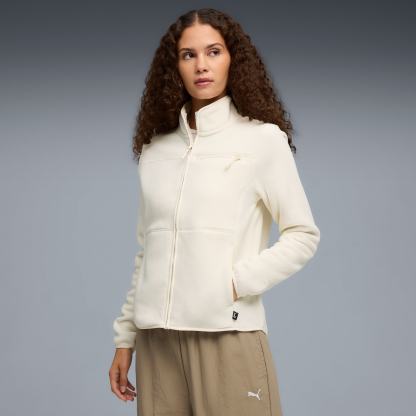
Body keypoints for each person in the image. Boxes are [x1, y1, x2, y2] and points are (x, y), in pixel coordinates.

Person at [108, 8, 320, 416]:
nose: (201, 65)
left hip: (226, 333)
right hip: (158, 342)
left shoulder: (261, 140)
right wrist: (125, 338)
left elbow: (302, 234)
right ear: (174, 67)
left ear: (232, 59)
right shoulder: (156, 151)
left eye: (213, 52)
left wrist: (235, 282)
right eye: (188, 55)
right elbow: (147, 252)